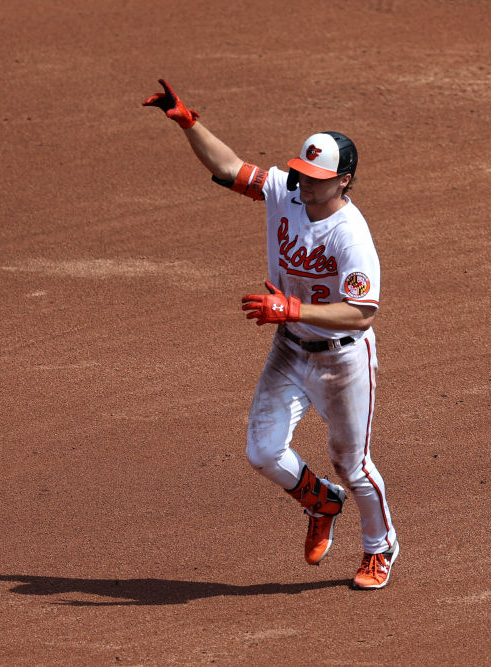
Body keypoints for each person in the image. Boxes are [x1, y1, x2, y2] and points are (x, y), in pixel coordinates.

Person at [142, 79, 400, 589]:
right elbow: (229, 168)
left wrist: (292, 307)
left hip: (342, 360)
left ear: (343, 181)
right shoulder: (285, 191)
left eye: (316, 178)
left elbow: (362, 314)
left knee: (353, 464)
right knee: (263, 452)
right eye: (301, 173)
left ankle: (380, 547)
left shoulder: (351, 235)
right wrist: (189, 123)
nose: (303, 183)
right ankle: (320, 501)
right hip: (290, 349)